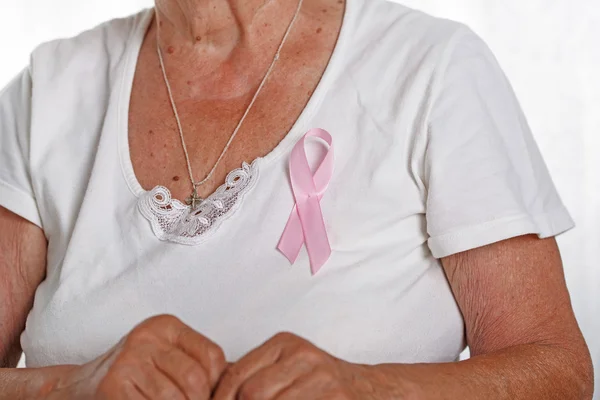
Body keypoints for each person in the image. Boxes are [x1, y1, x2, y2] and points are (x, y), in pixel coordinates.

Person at [0, 0, 593, 398]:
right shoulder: (46, 91)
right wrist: (67, 387)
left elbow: (555, 369)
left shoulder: (432, 69)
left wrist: (364, 388)